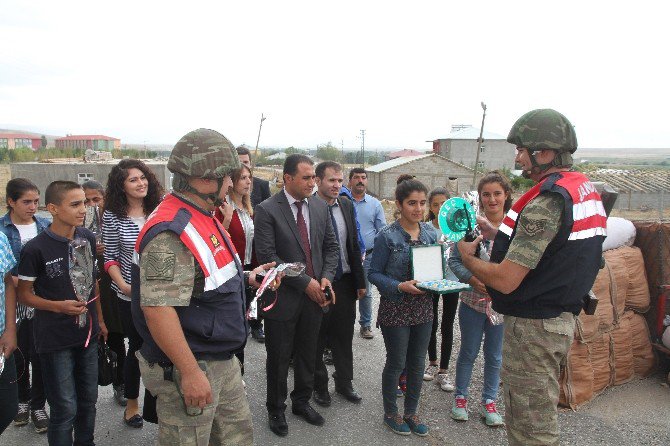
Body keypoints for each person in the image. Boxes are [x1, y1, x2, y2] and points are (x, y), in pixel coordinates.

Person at [457, 109, 607, 445]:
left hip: (535, 330)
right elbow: (558, 250)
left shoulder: (545, 202)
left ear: (546, 152)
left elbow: (507, 280)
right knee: (539, 413)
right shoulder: (582, 191)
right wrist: (497, 234)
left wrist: (469, 259)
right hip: (558, 319)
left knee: (530, 427)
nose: (518, 156)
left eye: (523, 149)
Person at [132, 128, 275, 446]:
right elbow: (158, 309)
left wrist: (250, 277)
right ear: (208, 179)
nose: (232, 184)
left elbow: (207, 277)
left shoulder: (204, 215)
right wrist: (190, 373)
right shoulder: (172, 232)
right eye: (229, 177)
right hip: (194, 368)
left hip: (220, 362)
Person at [254, 154, 339, 437]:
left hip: (315, 297)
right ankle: (276, 408)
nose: (312, 182)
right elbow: (268, 256)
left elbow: (330, 247)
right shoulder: (267, 209)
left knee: (309, 353)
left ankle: (301, 402)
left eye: (314, 177)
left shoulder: (319, 206)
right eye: (306, 177)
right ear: (287, 178)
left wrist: (325, 277)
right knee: (278, 358)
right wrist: (305, 283)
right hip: (284, 298)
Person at [17, 180, 107, 446]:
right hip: (54, 339)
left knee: (88, 402)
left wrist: (100, 319)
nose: (84, 210)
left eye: (86, 203)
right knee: (64, 408)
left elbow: (94, 282)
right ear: (53, 208)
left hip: (87, 335)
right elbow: (24, 294)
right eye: (76, 204)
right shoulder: (36, 249)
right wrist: (58, 306)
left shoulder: (87, 238)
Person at [369, 178, 436, 437]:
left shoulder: (431, 233)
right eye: (412, 203)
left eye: (422, 203)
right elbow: (374, 274)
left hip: (424, 308)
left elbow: (437, 270)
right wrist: (399, 286)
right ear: (399, 204)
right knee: (396, 362)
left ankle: (411, 412)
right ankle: (390, 414)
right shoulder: (387, 236)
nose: (418, 209)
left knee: (417, 363)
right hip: (395, 307)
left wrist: (442, 282)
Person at [448, 172, 513, 427]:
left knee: (495, 356)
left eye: (497, 193)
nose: (492, 199)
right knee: (468, 352)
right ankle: (461, 398)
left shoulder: (513, 229)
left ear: (506, 195)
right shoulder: (470, 226)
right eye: (486, 194)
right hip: (472, 302)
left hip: (501, 305)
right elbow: (454, 259)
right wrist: (473, 280)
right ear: (480, 197)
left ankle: (489, 402)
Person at [103, 159, 163, 428]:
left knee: (164, 347)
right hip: (130, 295)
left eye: (143, 177)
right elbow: (110, 258)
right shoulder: (113, 215)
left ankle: (159, 405)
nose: (141, 183)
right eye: (133, 180)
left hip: (163, 291)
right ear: (121, 186)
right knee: (137, 349)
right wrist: (125, 286)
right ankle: (132, 404)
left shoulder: (160, 208)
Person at [312, 161, 366, 407]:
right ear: (318, 180)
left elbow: (353, 244)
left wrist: (360, 280)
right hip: (319, 284)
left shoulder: (346, 204)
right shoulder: (308, 207)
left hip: (344, 282)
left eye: (339, 180)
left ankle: (344, 382)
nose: (337, 185)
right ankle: (319, 387)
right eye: (331, 180)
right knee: (317, 338)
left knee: (344, 338)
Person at [0, 178, 50, 433]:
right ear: (11, 201)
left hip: (39, 298)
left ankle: (39, 404)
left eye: (36, 202)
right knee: (17, 352)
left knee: (39, 353)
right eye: (26, 202)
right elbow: (7, 275)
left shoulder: (45, 225)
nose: (32, 207)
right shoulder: (2, 230)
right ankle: (22, 399)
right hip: (14, 302)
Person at [82, 180, 127, 407]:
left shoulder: (114, 217)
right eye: (86, 200)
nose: (91, 204)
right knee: (102, 335)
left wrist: (105, 247)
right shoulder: (78, 222)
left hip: (113, 281)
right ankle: (106, 382)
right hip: (91, 284)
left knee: (118, 333)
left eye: (95, 199)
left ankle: (122, 383)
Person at [422, 187, 458, 392]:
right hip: (431, 282)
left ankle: (444, 370)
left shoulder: (456, 228)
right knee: (431, 322)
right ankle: (432, 361)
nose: (439, 208)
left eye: (443, 204)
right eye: (435, 204)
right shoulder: (425, 228)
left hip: (452, 282)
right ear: (431, 207)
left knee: (448, 324)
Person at [347, 167, 386, 339]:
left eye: (363, 177)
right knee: (345, 291)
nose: (360, 181)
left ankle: (365, 325)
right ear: (350, 181)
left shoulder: (374, 204)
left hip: (367, 256)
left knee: (366, 291)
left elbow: (382, 230)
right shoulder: (342, 201)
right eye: (356, 177)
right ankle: (343, 325)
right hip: (346, 255)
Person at [0, 232, 18, 436]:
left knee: (7, 408)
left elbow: (7, 282)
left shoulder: (1, 238)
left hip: (2, 342)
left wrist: (10, 329)